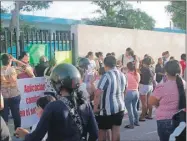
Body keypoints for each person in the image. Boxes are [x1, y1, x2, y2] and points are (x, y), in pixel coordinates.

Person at [15, 63, 98, 141]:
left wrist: (25, 135)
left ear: (57, 84)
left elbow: (36, 137)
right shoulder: (85, 104)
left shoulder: (53, 107)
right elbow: (94, 134)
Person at [149, 60, 186, 141]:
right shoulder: (184, 84)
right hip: (182, 120)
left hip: (165, 121)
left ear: (166, 72)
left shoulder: (162, 86)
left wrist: (158, 105)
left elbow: (151, 101)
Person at [94, 55, 127, 141]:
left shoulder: (106, 76)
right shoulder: (122, 74)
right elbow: (125, 91)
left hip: (107, 109)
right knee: (116, 130)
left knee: (102, 131)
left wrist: (95, 108)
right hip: (120, 107)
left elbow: (98, 93)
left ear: (105, 65)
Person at [1, 54, 21, 130]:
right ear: (10, 61)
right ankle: (17, 132)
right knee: (16, 115)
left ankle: (5, 133)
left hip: (4, 96)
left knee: (4, 116)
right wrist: (15, 60)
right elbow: (27, 67)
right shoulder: (14, 69)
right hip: (15, 95)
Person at [124, 62, 140, 129]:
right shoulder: (137, 74)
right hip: (136, 91)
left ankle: (131, 124)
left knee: (129, 110)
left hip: (129, 92)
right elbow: (138, 82)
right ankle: (136, 121)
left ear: (128, 68)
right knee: (135, 108)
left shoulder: (126, 75)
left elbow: (124, 85)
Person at [139, 56, 154, 121]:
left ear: (144, 63)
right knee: (149, 101)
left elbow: (136, 70)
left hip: (144, 85)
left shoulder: (144, 69)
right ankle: (150, 115)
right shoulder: (152, 68)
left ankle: (142, 116)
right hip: (150, 85)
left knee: (144, 103)